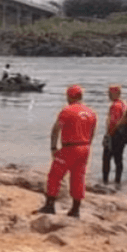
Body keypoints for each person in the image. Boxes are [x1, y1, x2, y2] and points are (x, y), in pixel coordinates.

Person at [38, 85, 97, 217]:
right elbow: (92, 133)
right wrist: (87, 146)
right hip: (85, 147)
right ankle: (75, 209)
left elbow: (56, 129)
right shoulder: (91, 113)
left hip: (69, 147)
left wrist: (53, 147)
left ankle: (50, 205)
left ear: (70, 96)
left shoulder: (67, 110)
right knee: (78, 177)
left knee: (55, 175)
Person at [101, 84, 127, 185]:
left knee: (106, 159)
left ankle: (105, 181)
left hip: (114, 136)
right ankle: (118, 181)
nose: (108, 95)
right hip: (122, 136)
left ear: (116, 93)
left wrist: (108, 136)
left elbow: (113, 122)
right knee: (118, 159)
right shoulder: (124, 104)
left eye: (110, 93)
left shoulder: (115, 106)